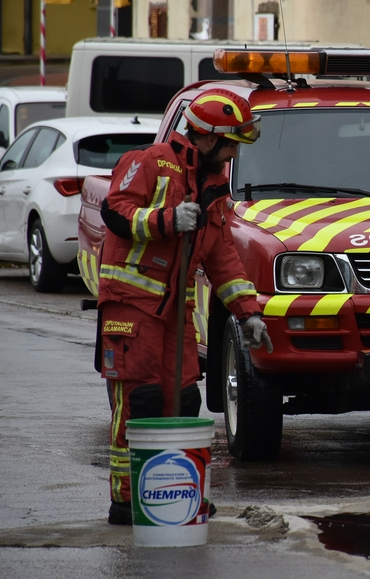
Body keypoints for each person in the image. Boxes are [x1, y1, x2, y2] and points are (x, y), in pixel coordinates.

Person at [99, 89, 273, 525]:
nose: (235, 154)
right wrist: (166, 221)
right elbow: (115, 210)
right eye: (232, 143)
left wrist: (248, 312)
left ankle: (179, 490)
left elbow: (222, 260)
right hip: (132, 310)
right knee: (140, 401)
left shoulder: (215, 193)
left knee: (184, 400)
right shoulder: (151, 162)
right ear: (209, 139)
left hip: (175, 316)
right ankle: (128, 499)